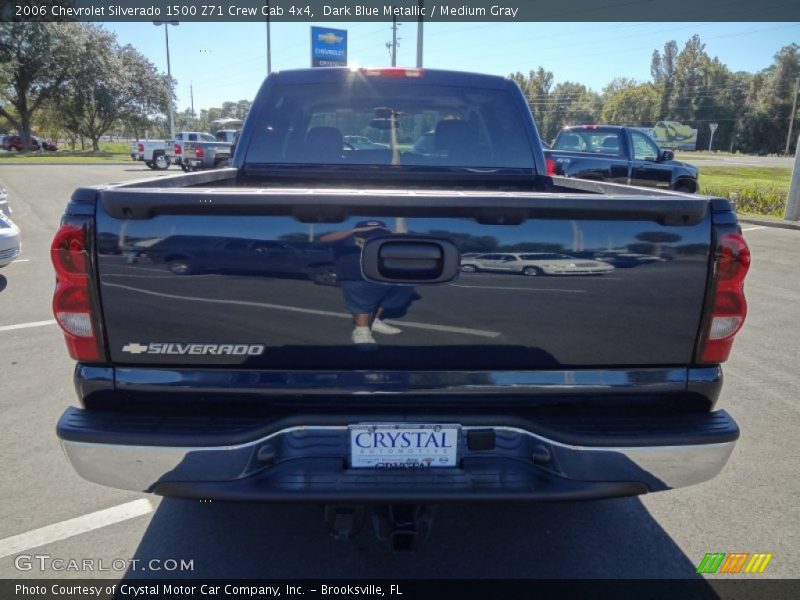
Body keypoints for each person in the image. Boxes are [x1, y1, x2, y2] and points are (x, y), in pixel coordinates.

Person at [320, 220, 414, 349]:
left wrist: (393, 234)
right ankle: (361, 331)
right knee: (362, 305)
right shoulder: (345, 239)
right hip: (355, 277)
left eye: (378, 229)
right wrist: (355, 231)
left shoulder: (385, 241)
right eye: (368, 229)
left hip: (384, 276)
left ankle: (374, 321)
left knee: (382, 300)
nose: (373, 231)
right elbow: (324, 239)